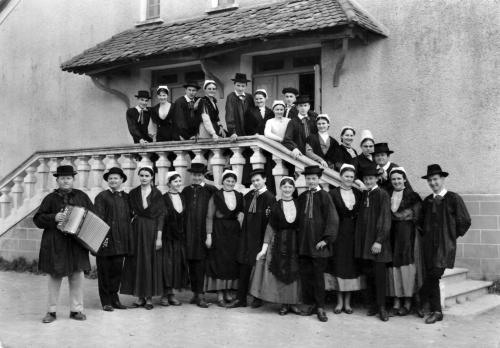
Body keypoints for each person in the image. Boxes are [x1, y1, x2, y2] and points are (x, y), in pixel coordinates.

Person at [34, 165, 94, 323]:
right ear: (57, 180)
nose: (65, 181)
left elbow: (92, 216)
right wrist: (54, 217)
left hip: (76, 243)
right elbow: (38, 219)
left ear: (73, 179)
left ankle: (76, 310)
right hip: (56, 242)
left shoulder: (82, 196)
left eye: (68, 178)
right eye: (62, 178)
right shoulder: (50, 198)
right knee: (55, 275)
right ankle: (51, 311)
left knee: (77, 276)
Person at [418, 164, 471, 324]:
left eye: (435, 179)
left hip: (444, 246)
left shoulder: (453, 198)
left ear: (442, 179)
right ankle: (431, 308)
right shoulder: (427, 201)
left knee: (434, 275)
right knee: (432, 276)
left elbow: (465, 221)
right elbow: (420, 223)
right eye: (430, 180)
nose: (433, 183)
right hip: (428, 246)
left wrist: (450, 236)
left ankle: (429, 305)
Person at [250, 177, 301, 315]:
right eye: (284, 187)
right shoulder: (276, 205)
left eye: (290, 187)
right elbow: (270, 227)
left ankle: (293, 302)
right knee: (281, 271)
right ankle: (284, 304)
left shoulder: (299, 203)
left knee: (294, 272)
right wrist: (264, 248)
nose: (287, 189)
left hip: (295, 242)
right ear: (281, 188)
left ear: (294, 189)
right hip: (279, 241)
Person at [227, 168, 276, 309]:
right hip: (246, 237)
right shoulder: (248, 196)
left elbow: (270, 221)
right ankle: (240, 298)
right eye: (253, 181)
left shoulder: (269, 198)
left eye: (258, 180)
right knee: (243, 267)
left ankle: (257, 297)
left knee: (258, 268)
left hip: (260, 238)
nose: (255, 183)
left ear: (265, 180)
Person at [297, 165, 339, 322]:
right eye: (308, 178)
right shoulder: (302, 197)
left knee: (318, 277)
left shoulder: (325, 196)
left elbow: (332, 219)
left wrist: (326, 239)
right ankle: (310, 304)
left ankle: (320, 307)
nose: (311, 181)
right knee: (306, 276)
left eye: (314, 178)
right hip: (304, 244)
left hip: (318, 244)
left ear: (319, 179)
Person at [121, 166, 164, 310]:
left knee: (150, 261)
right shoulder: (133, 193)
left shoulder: (157, 194)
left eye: (147, 175)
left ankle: (149, 297)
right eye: (142, 175)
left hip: (152, 230)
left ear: (152, 177)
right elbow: (128, 213)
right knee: (138, 261)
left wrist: (159, 237)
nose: (144, 178)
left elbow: (161, 217)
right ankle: (140, 297)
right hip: (137, 230)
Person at [354, 164, 392, 322]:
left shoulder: (382, 194)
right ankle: (374, 306)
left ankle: (382, 307)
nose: (368, 181)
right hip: (365, 243)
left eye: (371, 178)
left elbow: (385, 218)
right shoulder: (365, 195)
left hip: (378, 244)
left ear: (376, 179)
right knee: (369, 275)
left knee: (379, 276)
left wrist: (379, 241)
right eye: (366, 179)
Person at [325, 164, 364, 315]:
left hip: (353, 234)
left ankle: (348, 303)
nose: (349, 179)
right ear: (341, 176)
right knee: (339, 266)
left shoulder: (358, 193)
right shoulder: (333, 193)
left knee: (351, 267)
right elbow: (330, 216)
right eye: (346, 176)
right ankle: (339, 302)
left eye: (351, 177)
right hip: (339, 234)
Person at [387, 167, 423, 316]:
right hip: (392, 235)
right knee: (393, 265)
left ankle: (407, 302)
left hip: (408, 235)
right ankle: (396, 301)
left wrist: (402, 216)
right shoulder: (387, 195)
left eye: (399, 179)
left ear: (404, 180)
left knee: (407, 265)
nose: (396, 181)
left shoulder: (412, 196)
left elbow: (418, 216)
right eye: (393, 179)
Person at [94, 167, 131, 312]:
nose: (113, 180)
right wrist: (102, 239)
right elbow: (98, 219)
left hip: (120, 241)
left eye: (116, 178)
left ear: (122, 180)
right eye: (110, 178)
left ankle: (115, 299)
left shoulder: (126, 197)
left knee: (117, 271)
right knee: (104, 272)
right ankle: (106, 301)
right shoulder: (102, 197)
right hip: (106, 241)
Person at [205, 169, 244, 306]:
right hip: (219, 230)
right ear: (223, 181)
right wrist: (209, 236)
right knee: (219, 261)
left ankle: (228, 291)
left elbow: (241, 214)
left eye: (233, 181)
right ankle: (220, 294)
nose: (230, 183)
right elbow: (209, 216)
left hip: (233, 231)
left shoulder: (239, 196)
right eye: (228, 181)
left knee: (231, 262)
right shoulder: (216, 196)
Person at [182, 163, 217, 308]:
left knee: (201, 263)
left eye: (199, 175)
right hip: (188, 231)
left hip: (203, 232)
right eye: (194, 175)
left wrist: (210, 233)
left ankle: (201, 294)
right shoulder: (186, 191)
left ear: (203, 175)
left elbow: (214, 212)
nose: (196, 177)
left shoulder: (211, 190)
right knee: (191, 262)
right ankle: (195, 294)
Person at [159, 171, 189, 306]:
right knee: (167, 266)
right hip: (167, 237)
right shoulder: (163, 198)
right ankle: (165, 294)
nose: (178, 184)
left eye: (179, 181)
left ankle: (172, 294)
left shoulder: (183, 197)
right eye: (175, 181)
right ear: (169, 183)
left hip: (179, 238)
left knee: (177, 265)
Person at [282, 95, 318, 160]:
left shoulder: (313, 120)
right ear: (297, 107)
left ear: (309, 106)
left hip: (314, 154)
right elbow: (287, 139)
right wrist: (294, 148)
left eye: (305, 105)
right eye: (301, 106)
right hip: (299, 154)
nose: (303, 108)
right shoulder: (293, 122)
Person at [225, 73, 254, 138]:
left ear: (246, 86)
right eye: (238, 85)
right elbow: (229, 115)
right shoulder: (231, 97)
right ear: (234, 85)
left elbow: (253, 114)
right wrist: (232, 132)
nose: (240, 88)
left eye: (243, 86)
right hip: (237, 131)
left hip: (249, 131)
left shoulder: (249, 97)